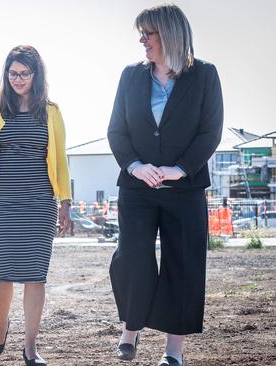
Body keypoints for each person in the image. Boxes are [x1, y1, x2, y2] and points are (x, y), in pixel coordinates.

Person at [107, 4, 223, 366]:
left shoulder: (204, 75)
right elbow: (116, 131)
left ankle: (173, 352)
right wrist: (136, 166)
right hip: (137, 188)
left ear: (170, 33)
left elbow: (210, 132)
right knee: (132, 258)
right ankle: (132, 329)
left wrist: (180, 169)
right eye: (140, 33)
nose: (142, 40)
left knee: (183, 266)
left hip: (185, 190)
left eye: (149, 33)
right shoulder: (130, 76)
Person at [0, 45, 72, 366]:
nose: (18, 79)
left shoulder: (51, 112)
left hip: (40, 203)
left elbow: (61, 162)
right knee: (1, 274)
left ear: (36, 75)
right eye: (13, 73)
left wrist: (65, 202)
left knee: (35, 276)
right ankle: (2, 321)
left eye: (24, 73)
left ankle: (30, 346)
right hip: (1, 202)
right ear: (6, 75)